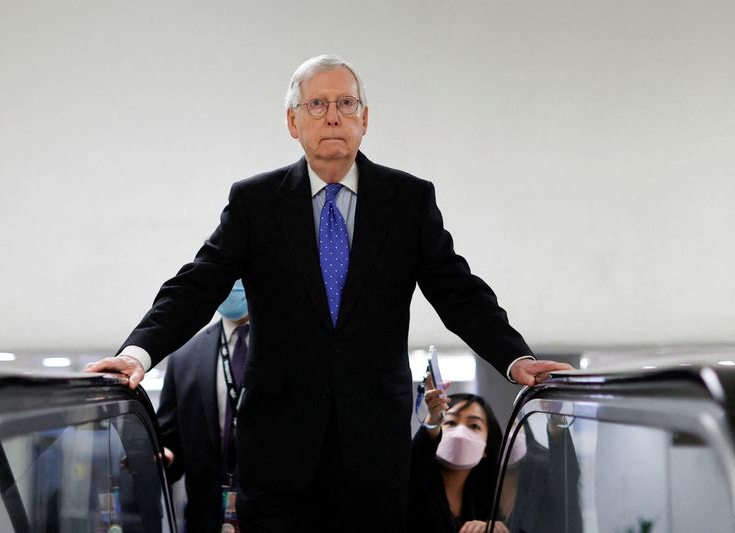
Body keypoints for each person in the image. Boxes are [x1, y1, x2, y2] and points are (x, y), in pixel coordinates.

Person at [86, 54, 573, 532]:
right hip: (278, 453)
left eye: (346, 103)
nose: (333, 116)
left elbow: (456, 289)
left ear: (365, 119)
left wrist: (515, 358)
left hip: (374, 453)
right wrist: (138, 353)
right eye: (317, 105)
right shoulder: (256, 202)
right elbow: (197, 284)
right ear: (293, 122)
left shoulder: (407, 199)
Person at [157, 280, 250, 532]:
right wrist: (163, 456)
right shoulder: (185, 355)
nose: (231, 288)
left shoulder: (291, 346)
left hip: (281, 514)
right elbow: (169, 438)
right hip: (207, 516)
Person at [409, 388, 510, 533]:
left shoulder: (484, 499)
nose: (460, 433)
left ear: (486, 448)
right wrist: (433, 419)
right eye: (450, 422)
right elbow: (417, 458)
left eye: (474, 426)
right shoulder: (415, 482)